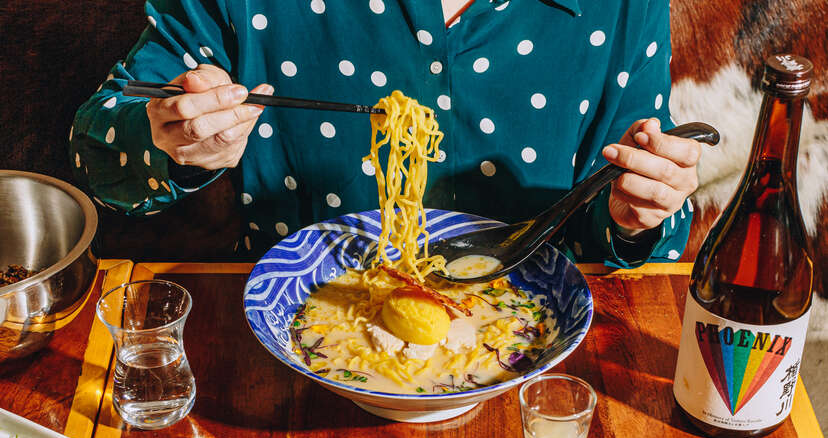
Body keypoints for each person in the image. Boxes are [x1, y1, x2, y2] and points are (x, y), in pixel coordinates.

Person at [71, 0, 701, 266]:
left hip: (533, 347)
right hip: (297, 334)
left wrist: (638, 210)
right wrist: (173, 142)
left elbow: (642, 225)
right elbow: (99, 149)